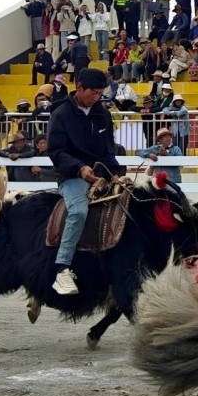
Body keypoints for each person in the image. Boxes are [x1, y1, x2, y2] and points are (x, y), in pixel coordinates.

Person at [47, 68, 124, 295]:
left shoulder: (103, 114)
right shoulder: (60, 114)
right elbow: (56, 151)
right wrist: (79, 168)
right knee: (79, 212)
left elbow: (108, 150)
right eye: (93, 93)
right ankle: (62, 269)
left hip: (102, 175)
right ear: (79, 87)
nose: (97, 98)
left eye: (100, 93)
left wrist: (115, 173)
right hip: (71, 176)